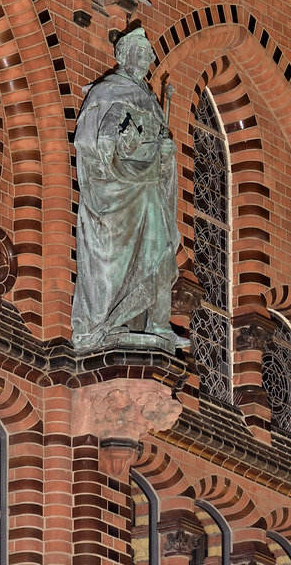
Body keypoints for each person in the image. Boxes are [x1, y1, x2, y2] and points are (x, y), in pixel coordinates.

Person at [71, 27, 184, 352]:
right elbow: (89, 142)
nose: (147, 60)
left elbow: (157, 145)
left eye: (149, 55)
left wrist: (165, 152)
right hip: (116, 191)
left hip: (148, 189)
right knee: (113, 258)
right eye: (141, 53)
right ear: (123, 55)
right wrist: (120, 150)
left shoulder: (150, 99)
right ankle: (105, 324)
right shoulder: (107, 91)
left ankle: (158, 325)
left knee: (161, 247)